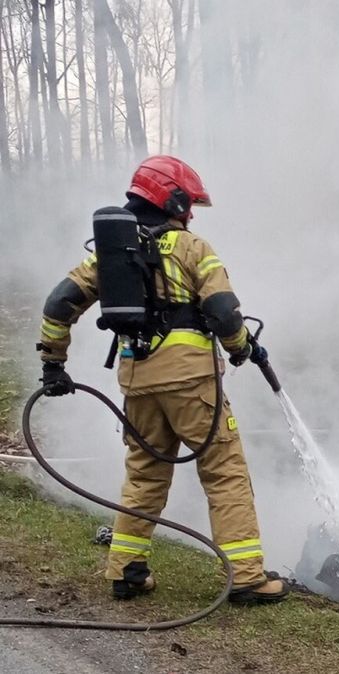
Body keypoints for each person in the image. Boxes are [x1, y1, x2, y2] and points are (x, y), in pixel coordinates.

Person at [36, 155, 288, 605]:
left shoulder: (110, 257)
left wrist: (53, 364)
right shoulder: (192, 248)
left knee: (144, 476)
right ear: (173, 201)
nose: (190, 214)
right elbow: (224, 311)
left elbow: (59, 304)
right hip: (192, 383)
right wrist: (240, 348)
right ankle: (247, 577)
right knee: (224, 473)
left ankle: (126, 572)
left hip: (138, 383)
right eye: (188, 204)